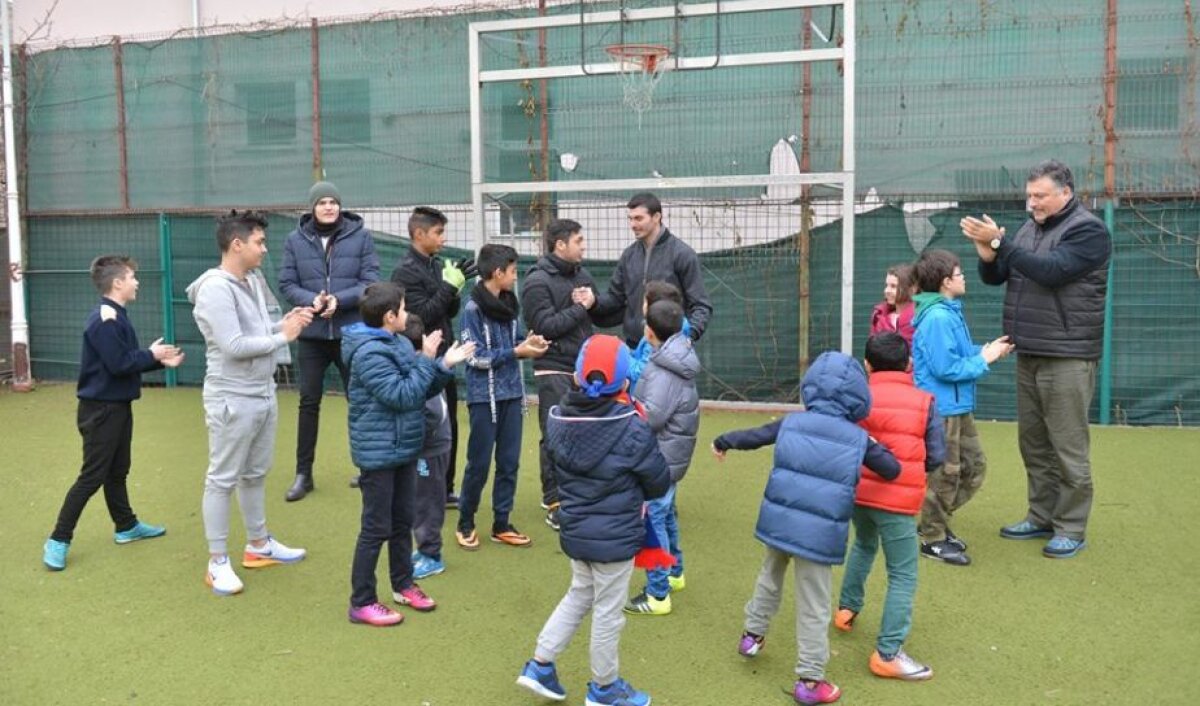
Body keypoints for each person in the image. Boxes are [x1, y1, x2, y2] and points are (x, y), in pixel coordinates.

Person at [712, 351, 900, 706]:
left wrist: (723, 440)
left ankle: (752, 635)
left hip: (780, 521)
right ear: (859, 396)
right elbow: (891, 469)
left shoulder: (791, 422)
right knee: (814, 604)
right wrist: (877, 445)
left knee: (770, 575)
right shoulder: (857, 438)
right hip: (818, 534)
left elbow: (755, 435)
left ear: (811, 386)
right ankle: (810, 680)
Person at [961, 159, 1111, 559]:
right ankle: (1041, 515)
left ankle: (1071, 526)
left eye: (1040, 196)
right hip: (1029, 349)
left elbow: (1051, 271)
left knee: (1067, 445)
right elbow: (999, 277)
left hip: (1068, 354)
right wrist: (988, 255)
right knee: (1034, 442)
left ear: (1066, 192)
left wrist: (1001, 244)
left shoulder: (1088, 230)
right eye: (1029, 196)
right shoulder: (1030, 229)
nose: (1032, 204)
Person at [515, 334, 670, 706]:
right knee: (607, 613)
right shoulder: (632, 426)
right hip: (615, 540)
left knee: (579, 595)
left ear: (577, 378)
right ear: (625, 382)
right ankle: (604, 688)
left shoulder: (558, 419)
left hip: (577, 532)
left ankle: (540, 663)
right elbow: (658, 481)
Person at [187, 211, 314, 596]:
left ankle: (258, 545)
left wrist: (286, 323)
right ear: (236, 244)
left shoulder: (253, 280)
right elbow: (234, 346)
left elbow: (258, 331)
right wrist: (284, 338)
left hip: (262, 392)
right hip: (231, 397)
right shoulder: (214, 289)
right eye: (259, 242)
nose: (264, 249)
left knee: (256, 473)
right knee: (222, 478)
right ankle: (217, 561)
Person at [340, 282, 474, 626]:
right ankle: (362, 601)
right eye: (402, 308)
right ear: (389, 317)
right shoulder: (369, 353)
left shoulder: (397, 342)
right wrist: (429, 359)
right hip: (379, 452)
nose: (407, 314)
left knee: (402, 522)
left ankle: (402, 584)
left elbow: (419, 388)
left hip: (404, 447)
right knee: (375, 528)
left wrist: (443, 365)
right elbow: (401, 395)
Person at [41, 255, 185, 571]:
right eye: (132, 277)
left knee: (118, 470)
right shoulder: (105, 318)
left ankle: (126, 526)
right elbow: (119, 364)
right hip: (101, 412)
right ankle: (58, 539)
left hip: (117, 408)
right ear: (117, 282)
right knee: (92, 477)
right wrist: (152, 354)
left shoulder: (116, 315)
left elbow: (122, 360)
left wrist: (157, 359)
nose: (137, 282)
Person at [833, 332, 945, 681]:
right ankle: (888, 653)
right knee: (903, 574)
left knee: (864, 545)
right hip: (898, 499)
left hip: (858, 493)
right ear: (908, 363)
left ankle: (846, 609)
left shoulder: (856, 397)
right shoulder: (925, 401)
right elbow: (937, 455)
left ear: (867, 364)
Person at [910, 249, 1014, 566]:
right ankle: (932, 537)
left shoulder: (948, 311)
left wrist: (984, 350)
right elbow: (946, 368)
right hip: (942, 409)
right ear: (945, 282)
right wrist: (986, 358)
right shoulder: (939, 317)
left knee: (973, 468)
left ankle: (935, 523)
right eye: (960, 273)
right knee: (946, 473)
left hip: (957, 406)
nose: (964, 277)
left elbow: (955, 354)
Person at [278, 180, 380, 500]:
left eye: (333, 202)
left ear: (340, 206)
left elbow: (370, 282)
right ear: (312, 207)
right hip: (311, 335)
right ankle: (303, 475)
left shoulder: (361, 236)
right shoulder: (295, 240)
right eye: (322, 202)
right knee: (309, 402)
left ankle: (367, 469)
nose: (328, 207)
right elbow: (286, 282)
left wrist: (339, 300)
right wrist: (313, 300)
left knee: (360, 401)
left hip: (351, 333)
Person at [456, 244, 548, 549]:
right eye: (512, 271)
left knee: (509, 463)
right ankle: (465, 522)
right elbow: (474, 358)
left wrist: (530, 342)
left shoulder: (509, 304)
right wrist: (516, 351)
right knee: (478, 464)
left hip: (512, 397)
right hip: (484, 400)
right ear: (498, 273)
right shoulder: (471, 309)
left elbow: (518, 340)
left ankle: (501, 523)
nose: (515, 277)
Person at [391, 207, 476, 506]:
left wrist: (454, 290)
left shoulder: (437, 263)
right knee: (424, 423)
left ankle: (445, 488)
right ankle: (419, 486)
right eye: (438, 232)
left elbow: (446, 311)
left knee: (448, 421)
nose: (443, 238)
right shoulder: (404, 271)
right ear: (419, 234)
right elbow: (420, 318)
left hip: (446, 355)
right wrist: (447, 288)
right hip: (421, 359)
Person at [520, 218, 601, 531]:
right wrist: (582, 308)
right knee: (556, 433)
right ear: (560, 245)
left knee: (583, 433)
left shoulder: (582, 274)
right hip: (553, 367)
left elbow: (599, 310)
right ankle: (554, 500)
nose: (584, 245)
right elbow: (545, 327)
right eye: (578, 240)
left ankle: (577, 493)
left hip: (582, 369)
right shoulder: (537, 281)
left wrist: (598, 303)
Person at [624, 299, 699, 617]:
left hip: (660, 457)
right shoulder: (676, 356)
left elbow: (652, 415)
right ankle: (674, 573)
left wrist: (629, 407)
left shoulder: (663, 370)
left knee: (651, 521)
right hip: (671, 456)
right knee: (666, 515)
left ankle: (657, 594)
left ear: (650, 332)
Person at [585, 192, 713, 348]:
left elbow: (701, 306)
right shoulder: (628, 255)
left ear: (657, 217)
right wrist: (593, 302)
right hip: (633, 347)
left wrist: (688, 337)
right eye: (630, 219)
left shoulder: (682, 254)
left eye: (638, 218)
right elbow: (614, 298)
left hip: (668, 348)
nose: (633, 224)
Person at [403, 314, 454, 580]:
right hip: (430, 447)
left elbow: (433, 412)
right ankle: (425, 549)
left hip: (431, 449)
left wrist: (414, 438)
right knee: (421, 499)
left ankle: (431, 554)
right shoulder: (422, 362)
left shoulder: (417, 366)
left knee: (428, 503)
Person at [627, 281, 692, 394]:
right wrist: (626, 350)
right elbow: (643, 357)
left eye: (645, 302)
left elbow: (640, 372)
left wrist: (620, 357)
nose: (642, 306)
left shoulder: (658, 337)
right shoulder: (675, 330)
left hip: (648, 397)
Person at [868, 264, 916, 345]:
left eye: (893, 286)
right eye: (887, 285)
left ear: (910, 289)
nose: (887, 290)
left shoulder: (919, 318)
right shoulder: (879, 315)